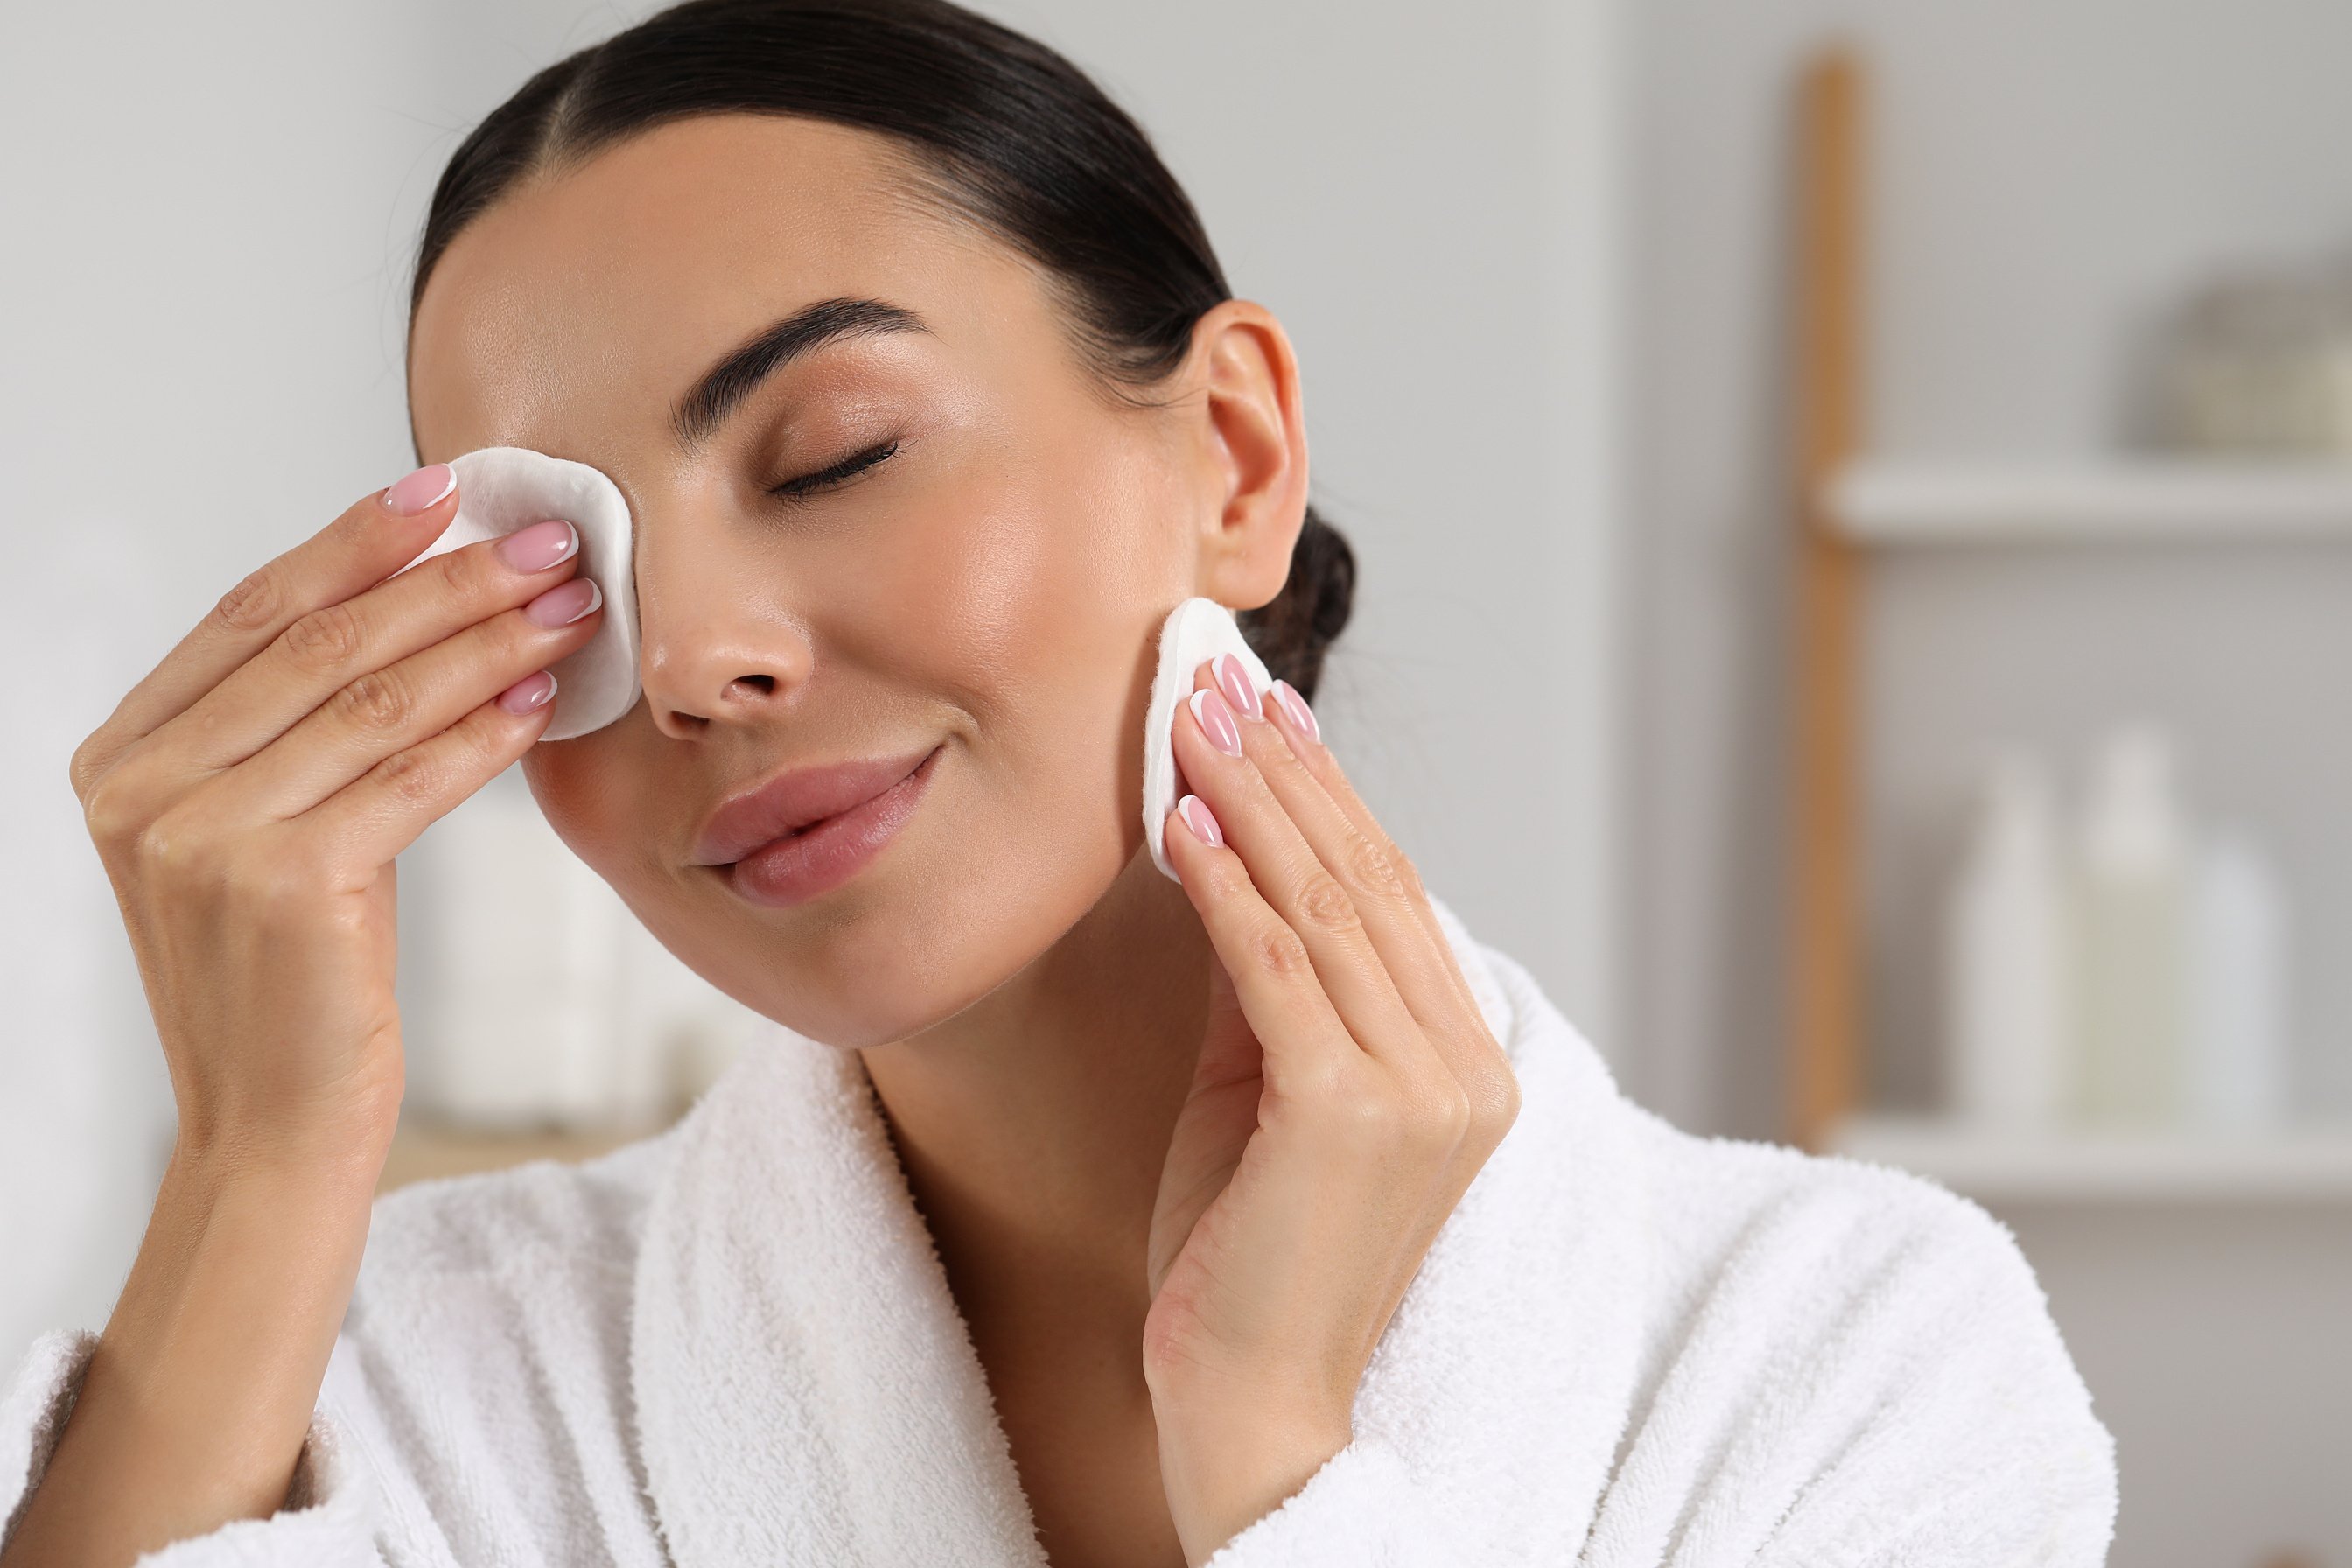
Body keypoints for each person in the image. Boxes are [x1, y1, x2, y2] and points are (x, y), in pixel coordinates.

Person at [0, 1, 2118, 1563]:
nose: (694, 658)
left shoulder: (1837, 1356)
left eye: (833, 452)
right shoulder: (415, 1380)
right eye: (566, 575)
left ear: (1234, 457)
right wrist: (261, 1157)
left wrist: (1279, 1453)